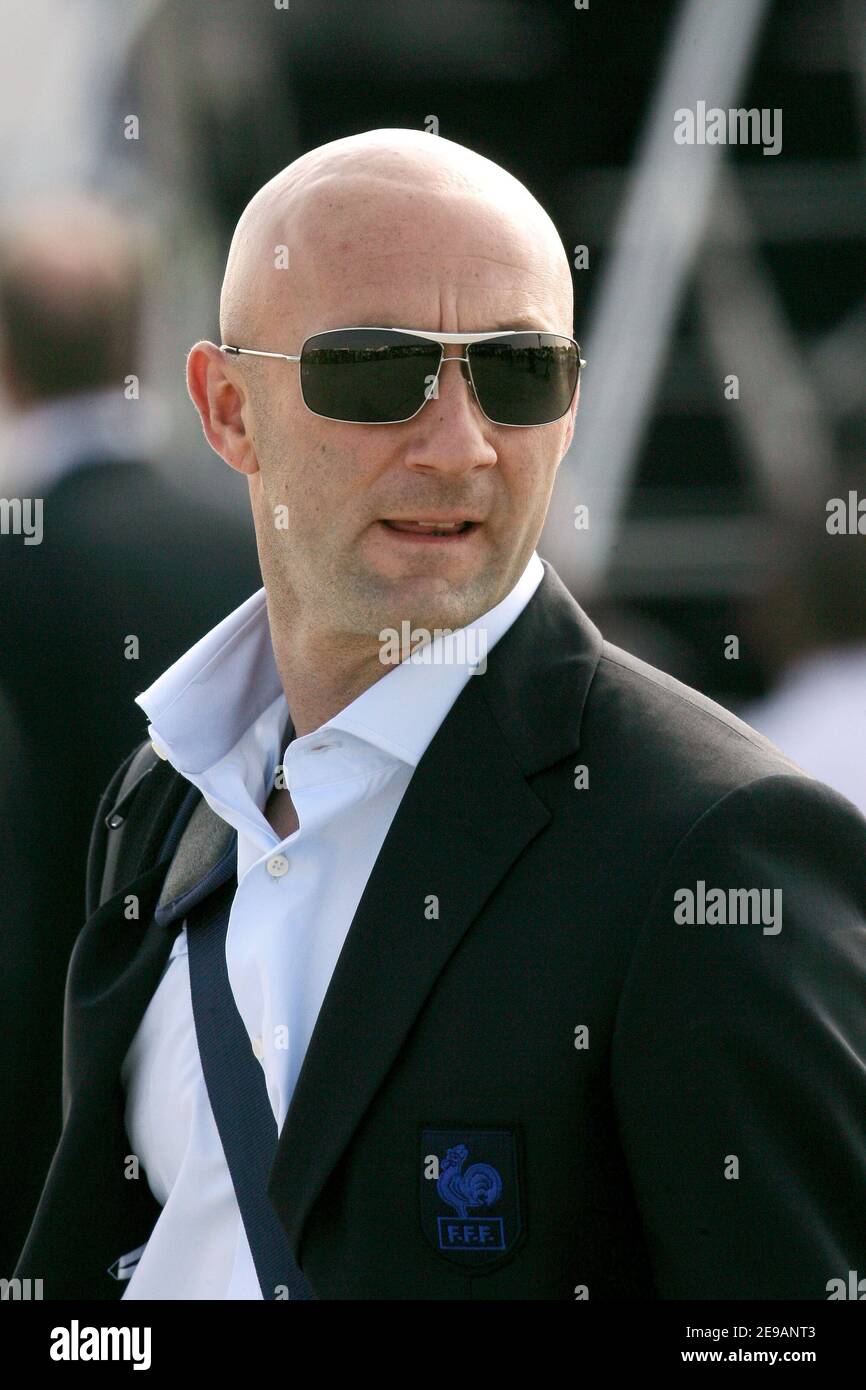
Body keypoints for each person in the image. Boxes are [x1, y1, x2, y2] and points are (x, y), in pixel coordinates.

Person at [15, 129, 866, 1300]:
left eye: (519, 373)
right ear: (228, 411)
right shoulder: (165, 796)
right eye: (375, 370)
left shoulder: (713, 842)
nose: (459, 444)